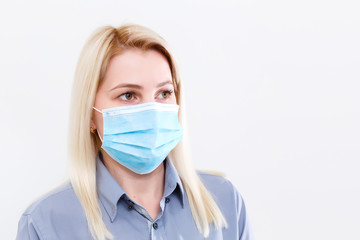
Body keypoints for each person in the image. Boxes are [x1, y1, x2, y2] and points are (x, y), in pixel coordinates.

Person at [16, 24, 254, 240]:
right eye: (128, 95)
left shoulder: (225, 202)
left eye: (164, 93)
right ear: (89, 113)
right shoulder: (44, 223)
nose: (151, 111)